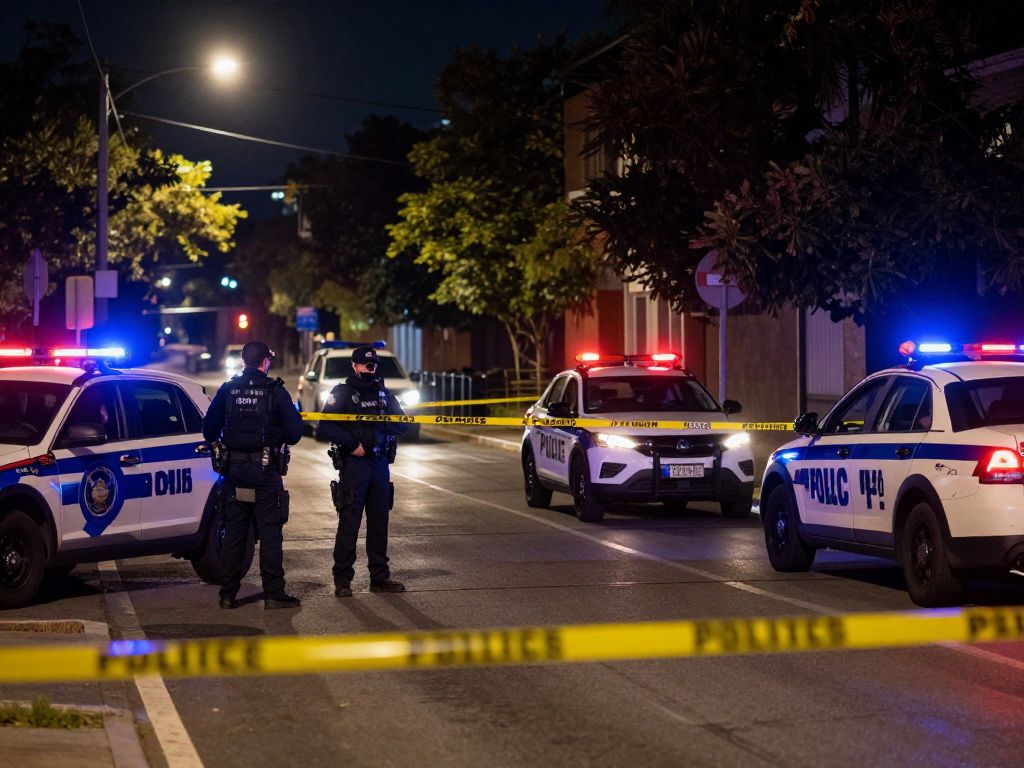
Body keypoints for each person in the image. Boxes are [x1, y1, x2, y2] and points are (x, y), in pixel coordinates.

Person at [202, 340, 303, 609]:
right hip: (265, 472)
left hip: (234, 472)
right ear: (265, 362)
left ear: (243, 361)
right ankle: (274, 594)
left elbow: (208, 430)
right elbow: (294, 433)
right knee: (270, 534)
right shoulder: (275, 391)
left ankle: (227, 594)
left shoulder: (228, 389)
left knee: (235, 533)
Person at [319, 345, 408, 596]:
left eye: (373, 365)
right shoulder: (342, 393)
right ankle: (343, 580)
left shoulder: (383, 394)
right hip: (355, 465)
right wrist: (352, 445)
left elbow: (403, 426)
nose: (370, 369)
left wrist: (393, 415)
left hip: (379, 465)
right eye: (366, 365)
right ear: (354, 365)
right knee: (350, 522)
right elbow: (325, 427)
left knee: (379, 522)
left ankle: (379, 578)